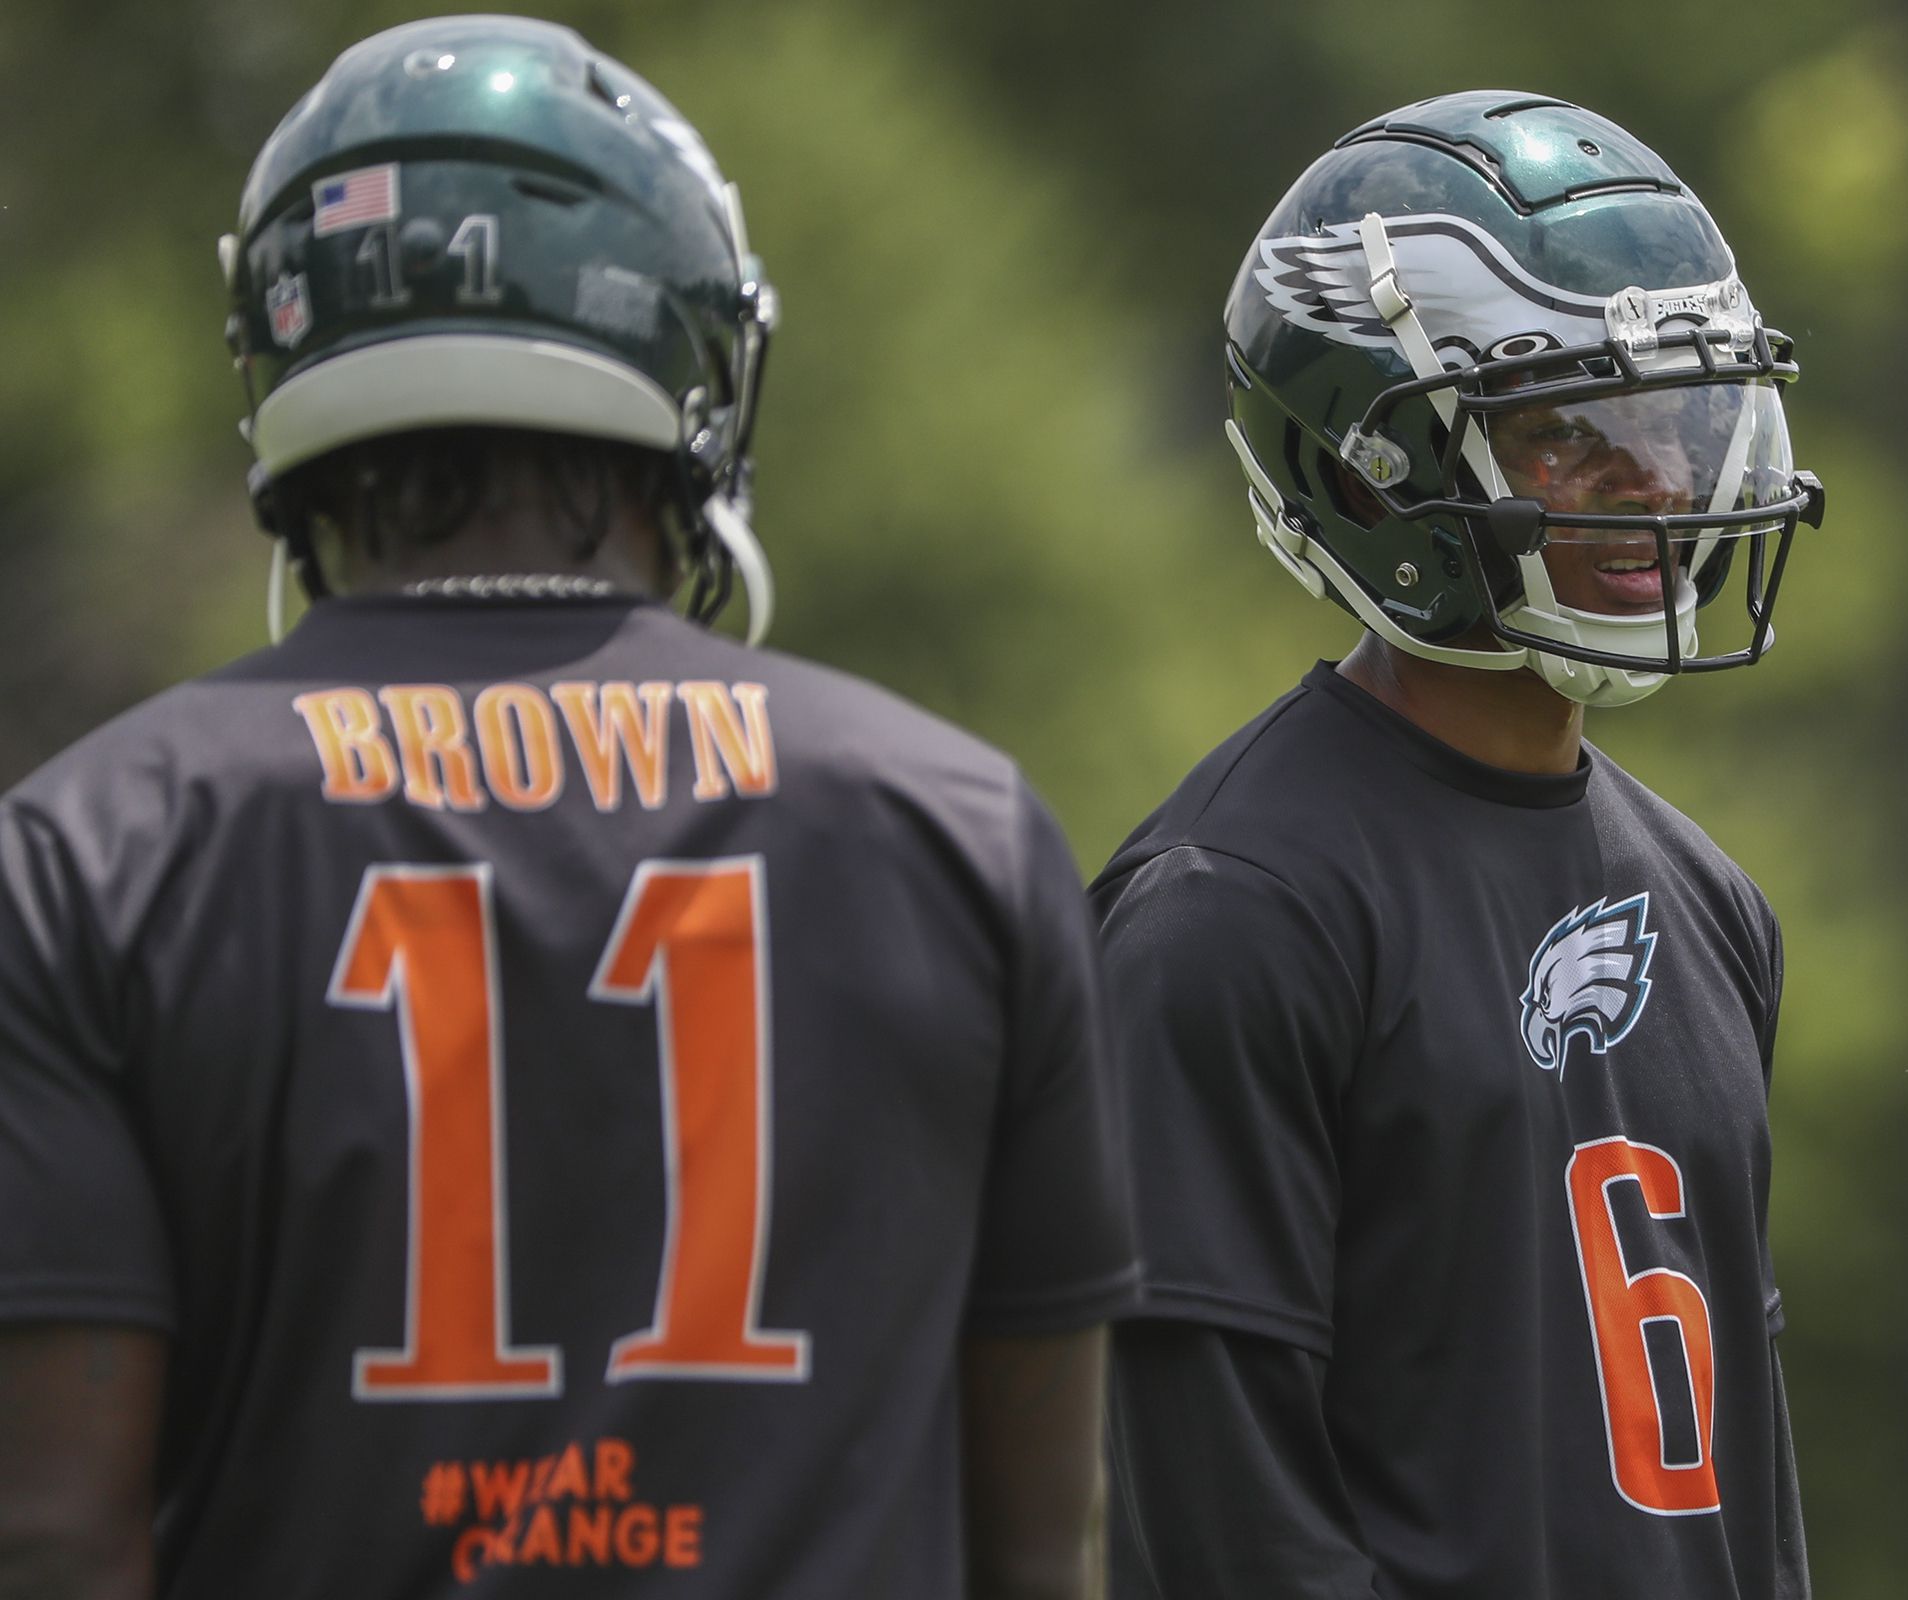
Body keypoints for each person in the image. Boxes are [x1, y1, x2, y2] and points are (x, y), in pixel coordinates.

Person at [0, 18, 1134, 1599]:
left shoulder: (93, 845)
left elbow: (54, 1533)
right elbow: (1038, 1539)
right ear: (682, 350)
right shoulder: (956, 822)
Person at [1098, 91, 1827, 1599]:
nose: (1659, 483)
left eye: (1678, 419)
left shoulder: (1712, 905)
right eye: (1574, 433)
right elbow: (1226, 1522)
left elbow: (1745, 1496)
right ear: (1371, 471)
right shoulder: (1234, 915)